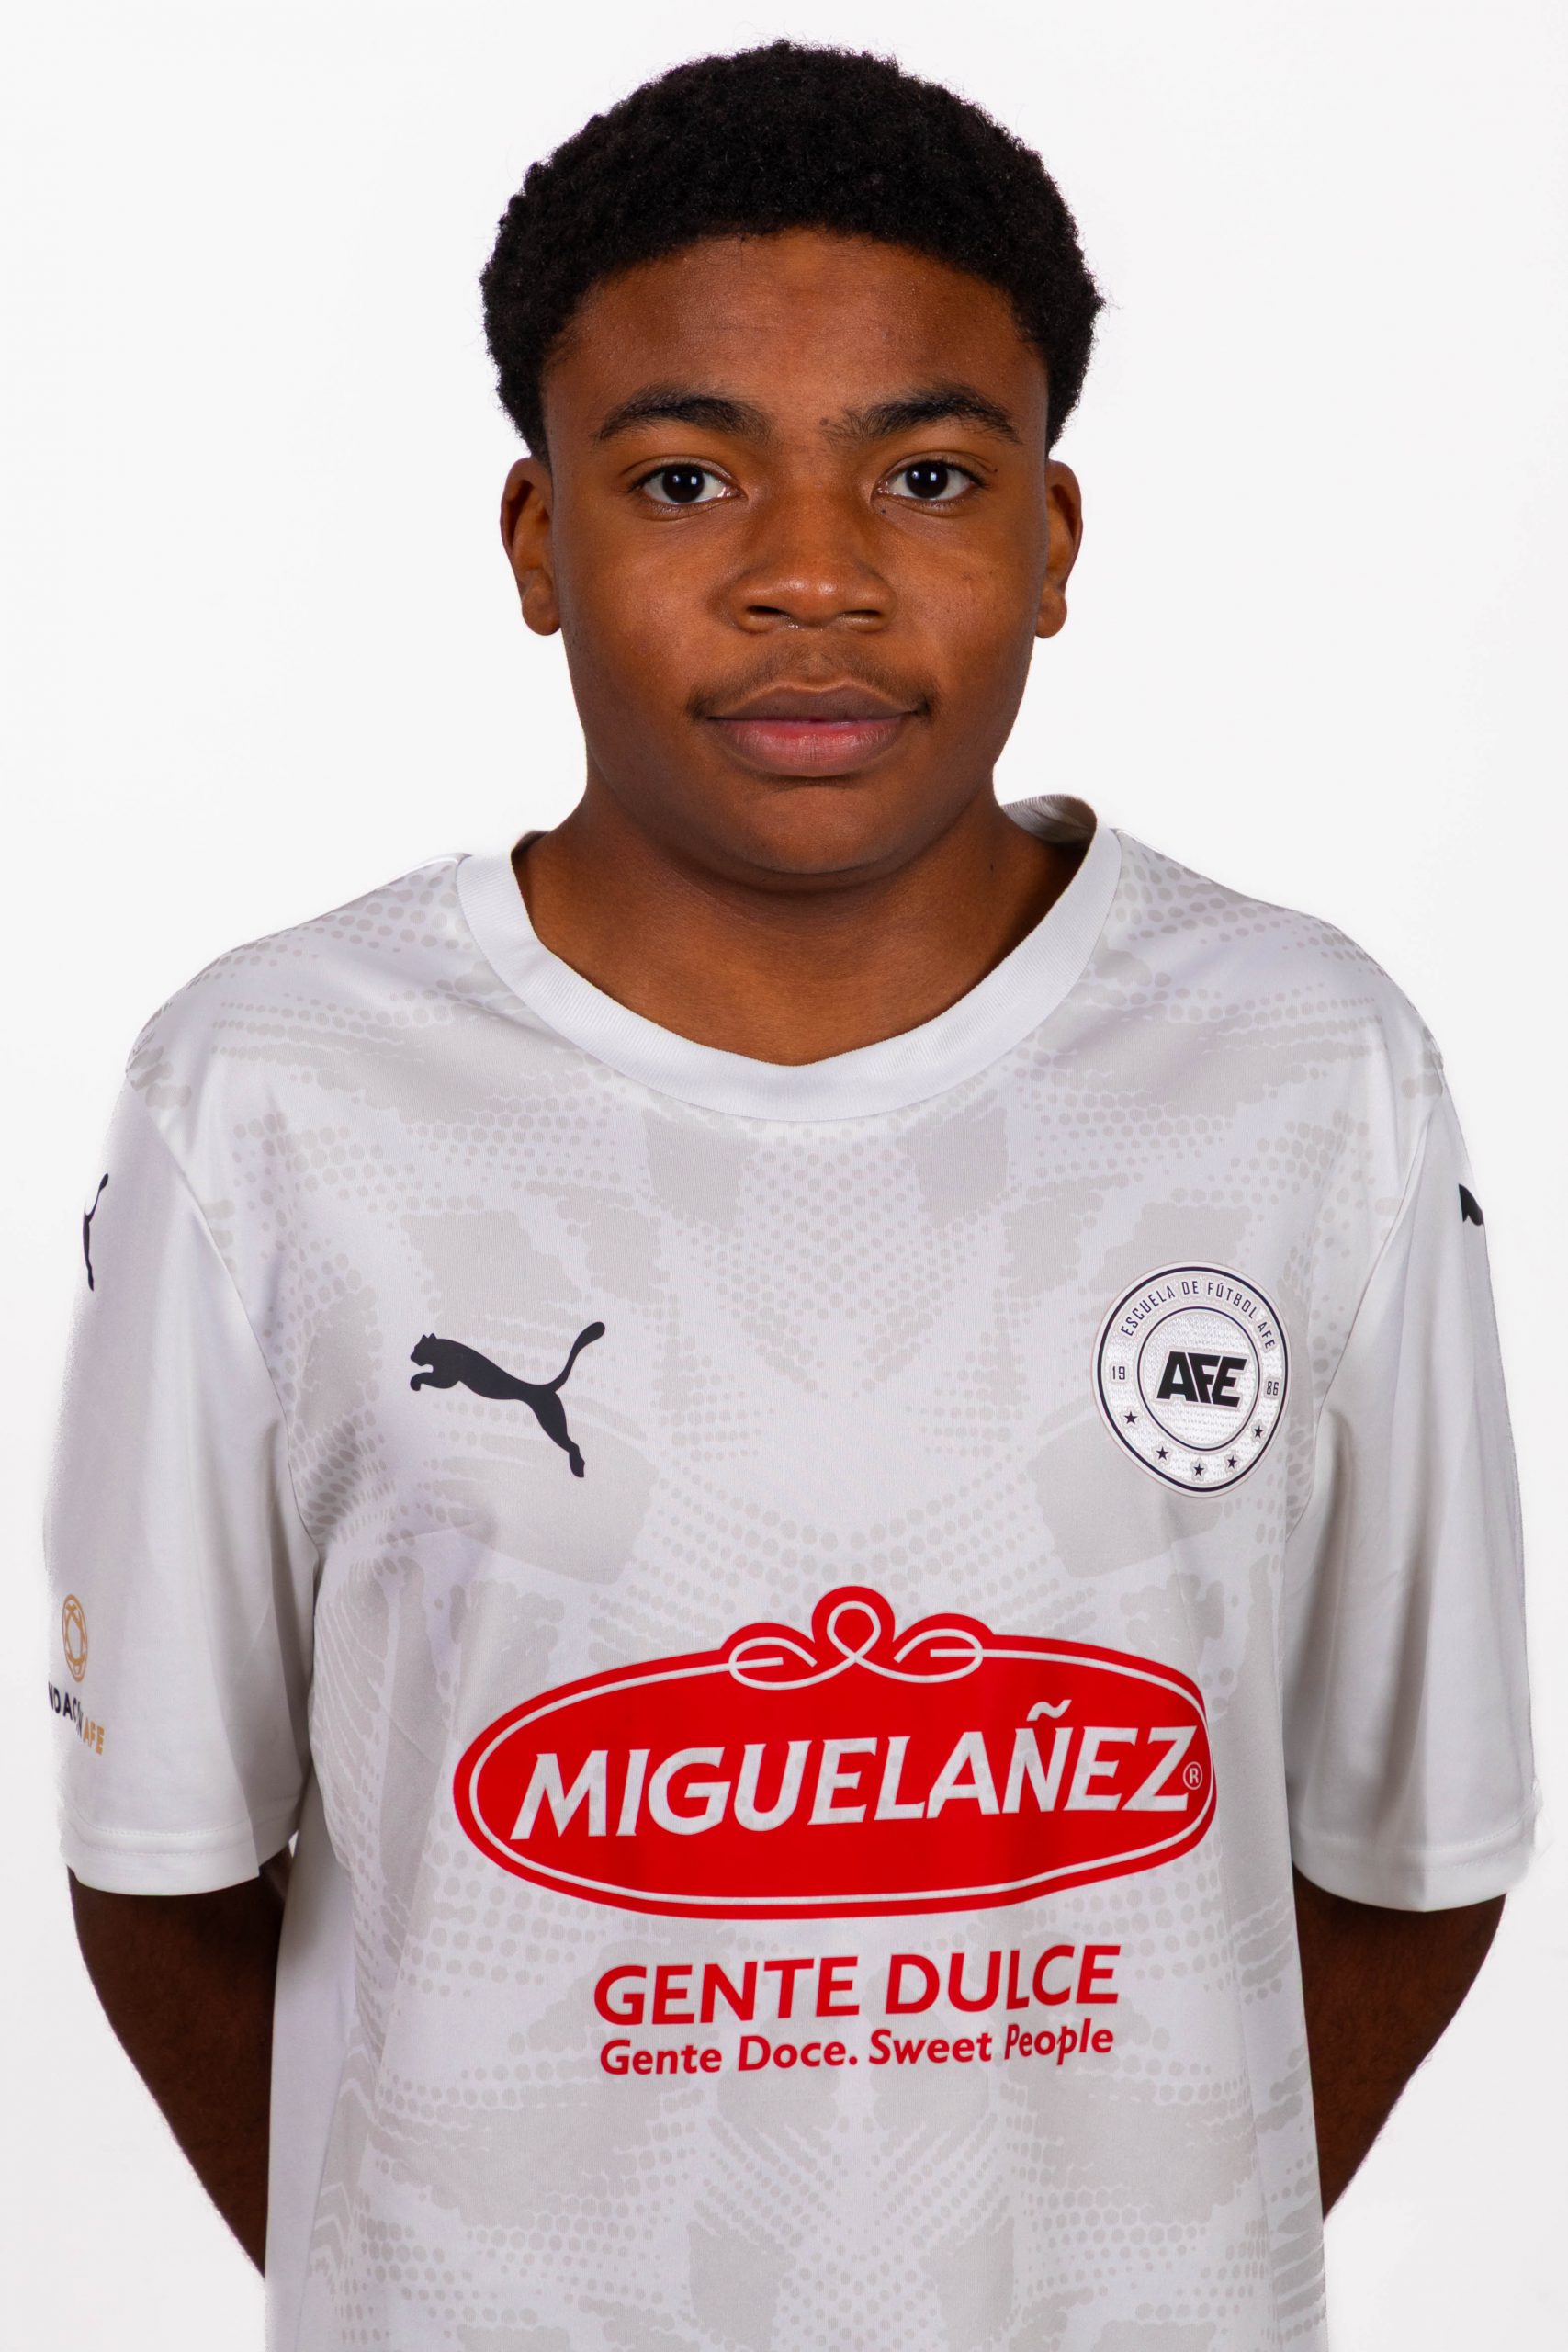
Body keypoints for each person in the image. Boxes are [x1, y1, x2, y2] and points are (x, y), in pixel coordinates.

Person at [45, 40, 1537, 2352]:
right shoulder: (270, 1092)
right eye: (683, 477)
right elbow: (159, 1869)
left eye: (924, 474)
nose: (812, 576)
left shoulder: (1303, 1067)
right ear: (536, 541)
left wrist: (1135, 2261)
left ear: (1051, 537)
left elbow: (1407, 1856)